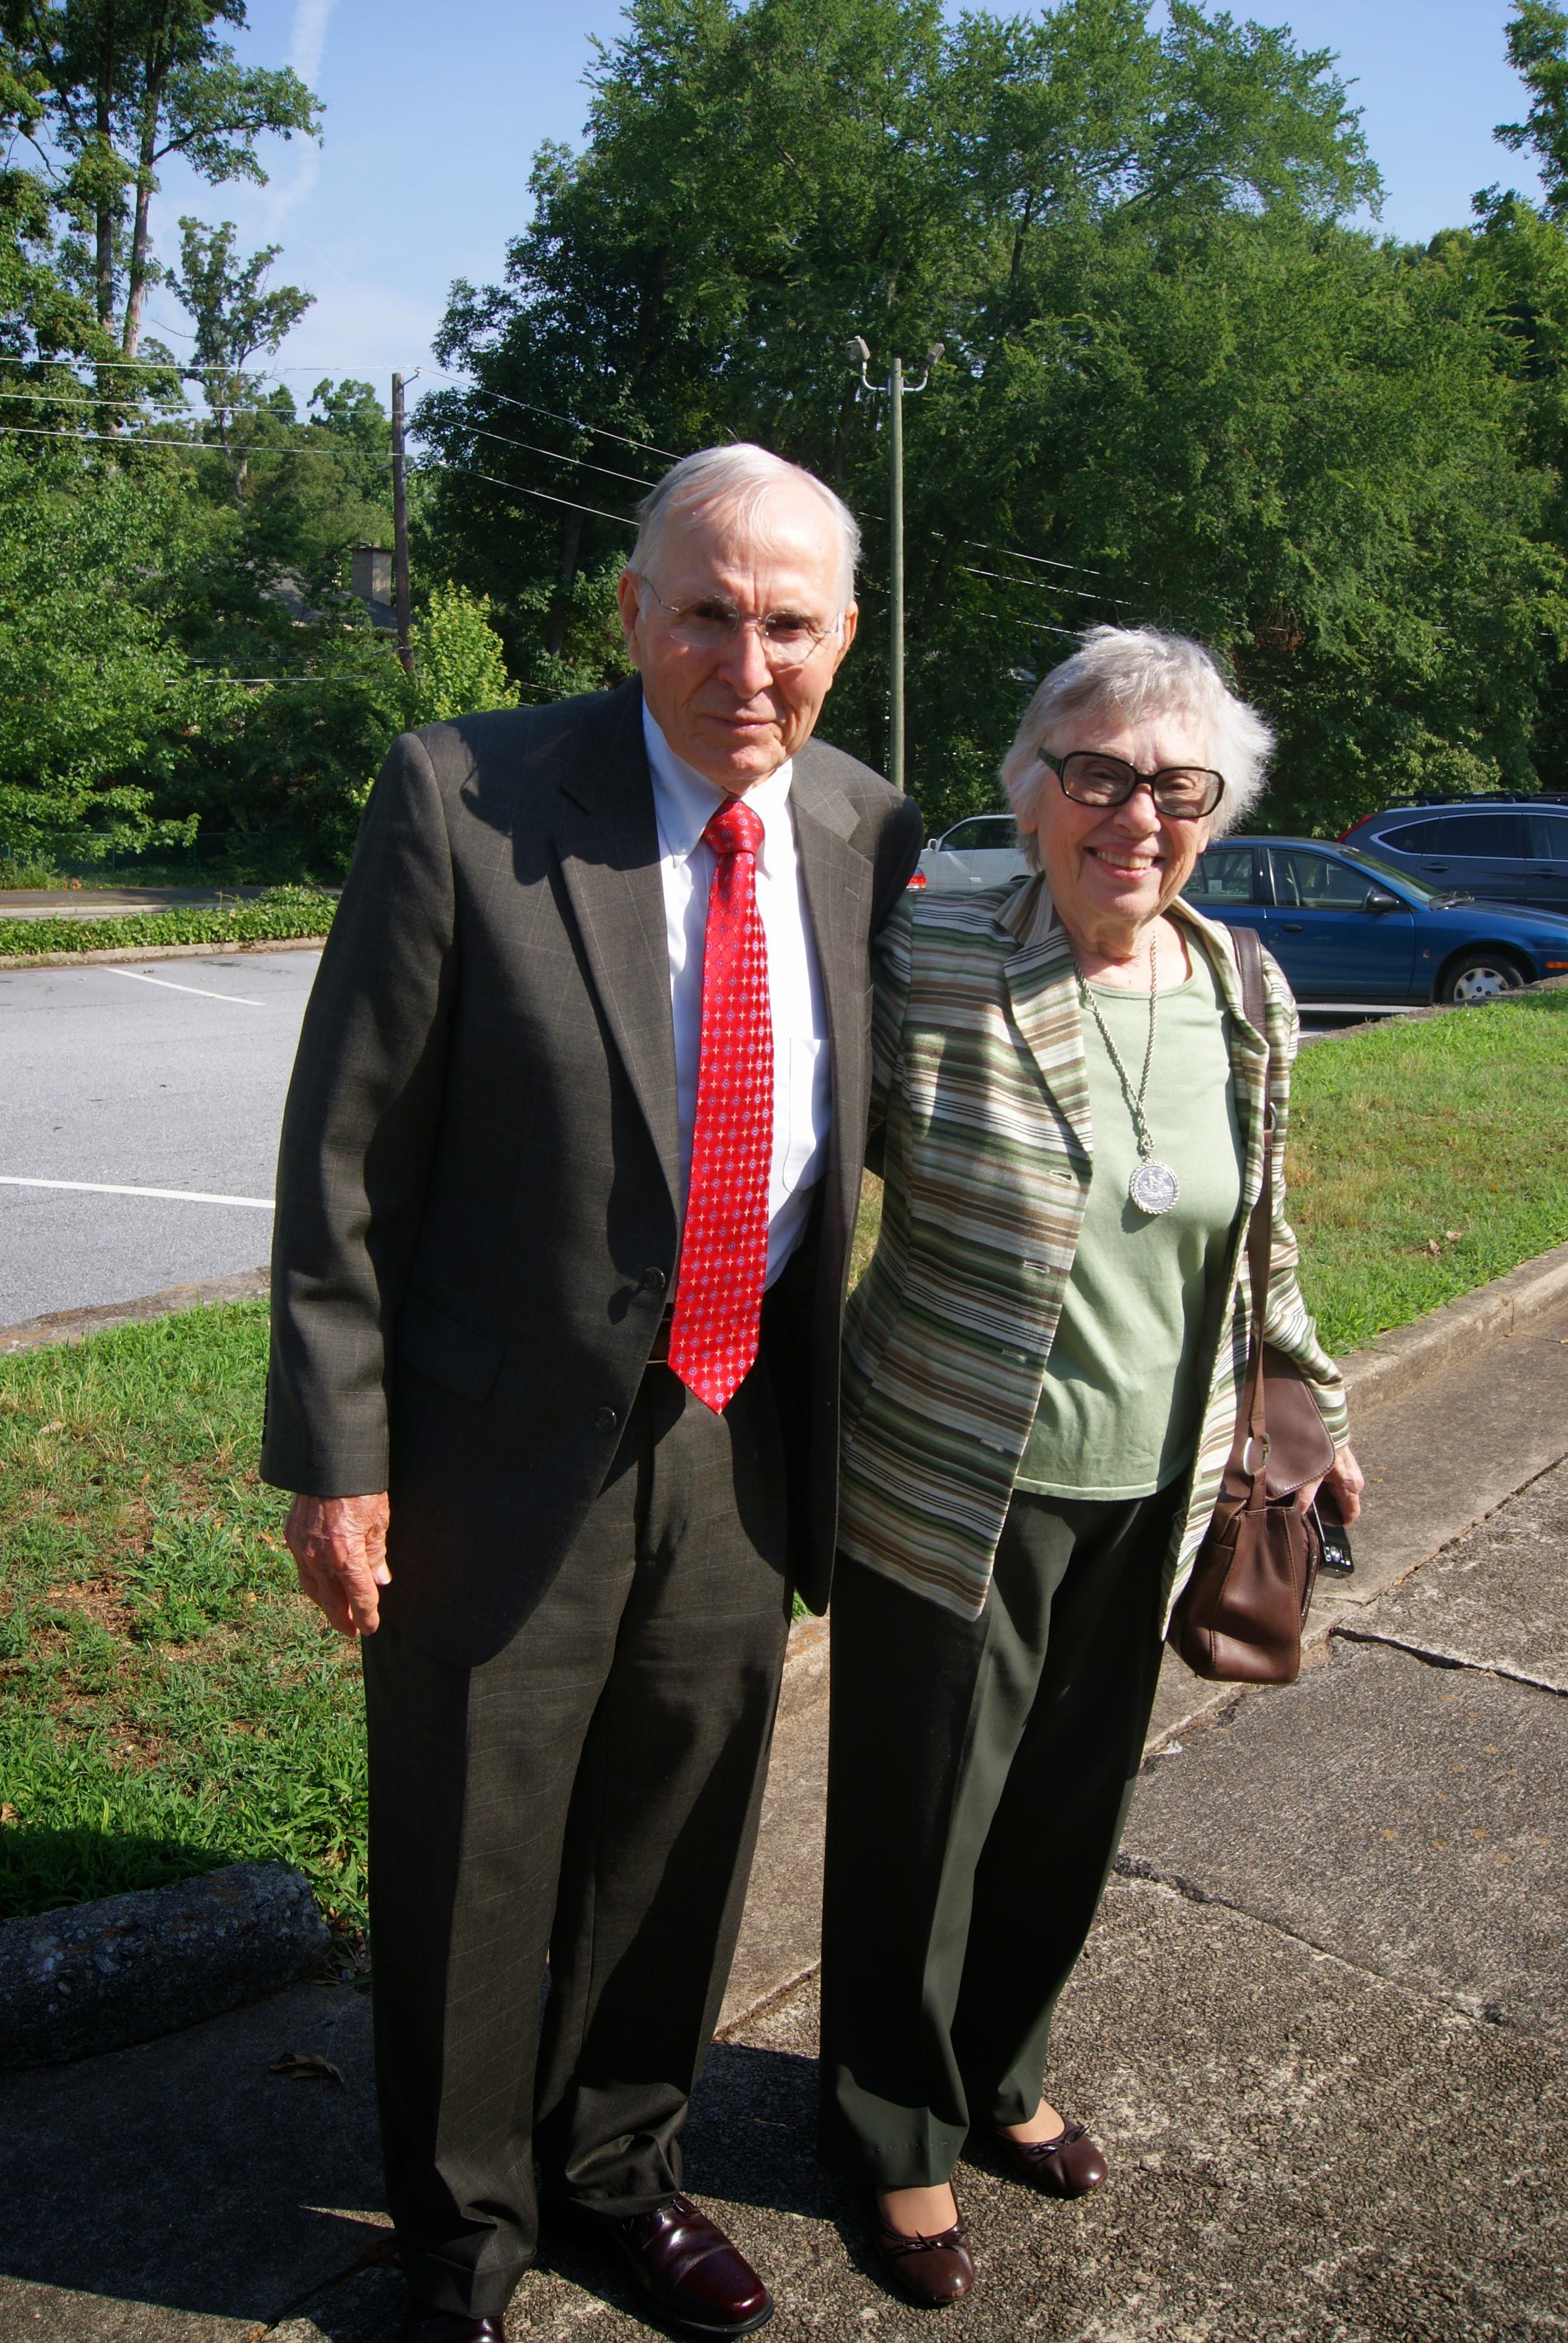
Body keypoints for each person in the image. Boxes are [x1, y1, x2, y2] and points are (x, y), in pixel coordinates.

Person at [263, 442, 922, 2343]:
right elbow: (345, 1159)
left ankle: (622, 2176)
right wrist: (337, 1457)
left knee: (679, 1833)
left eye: (788, 622)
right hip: (488, 1442)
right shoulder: (465, 794)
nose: (746, 658)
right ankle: (462, 2240)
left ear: (844, 639)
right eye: (704, 611)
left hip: (740, 1423)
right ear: (632, 614)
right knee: (475, 1855)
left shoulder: (868, 827)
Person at [817, 625, 1364, 2307]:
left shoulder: (1241, 987)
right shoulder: (935, 959)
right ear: (1037, 790)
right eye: (1100, 774)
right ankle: (890, 2134)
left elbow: (1256, 1235)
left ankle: (1000, 2067)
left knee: (1067, 1812)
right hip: (956, 1473)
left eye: (1177, 786)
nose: (1138, 814)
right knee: (926, 1819)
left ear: (1218, 809)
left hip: (1164, 1481)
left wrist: (1312, 1408)